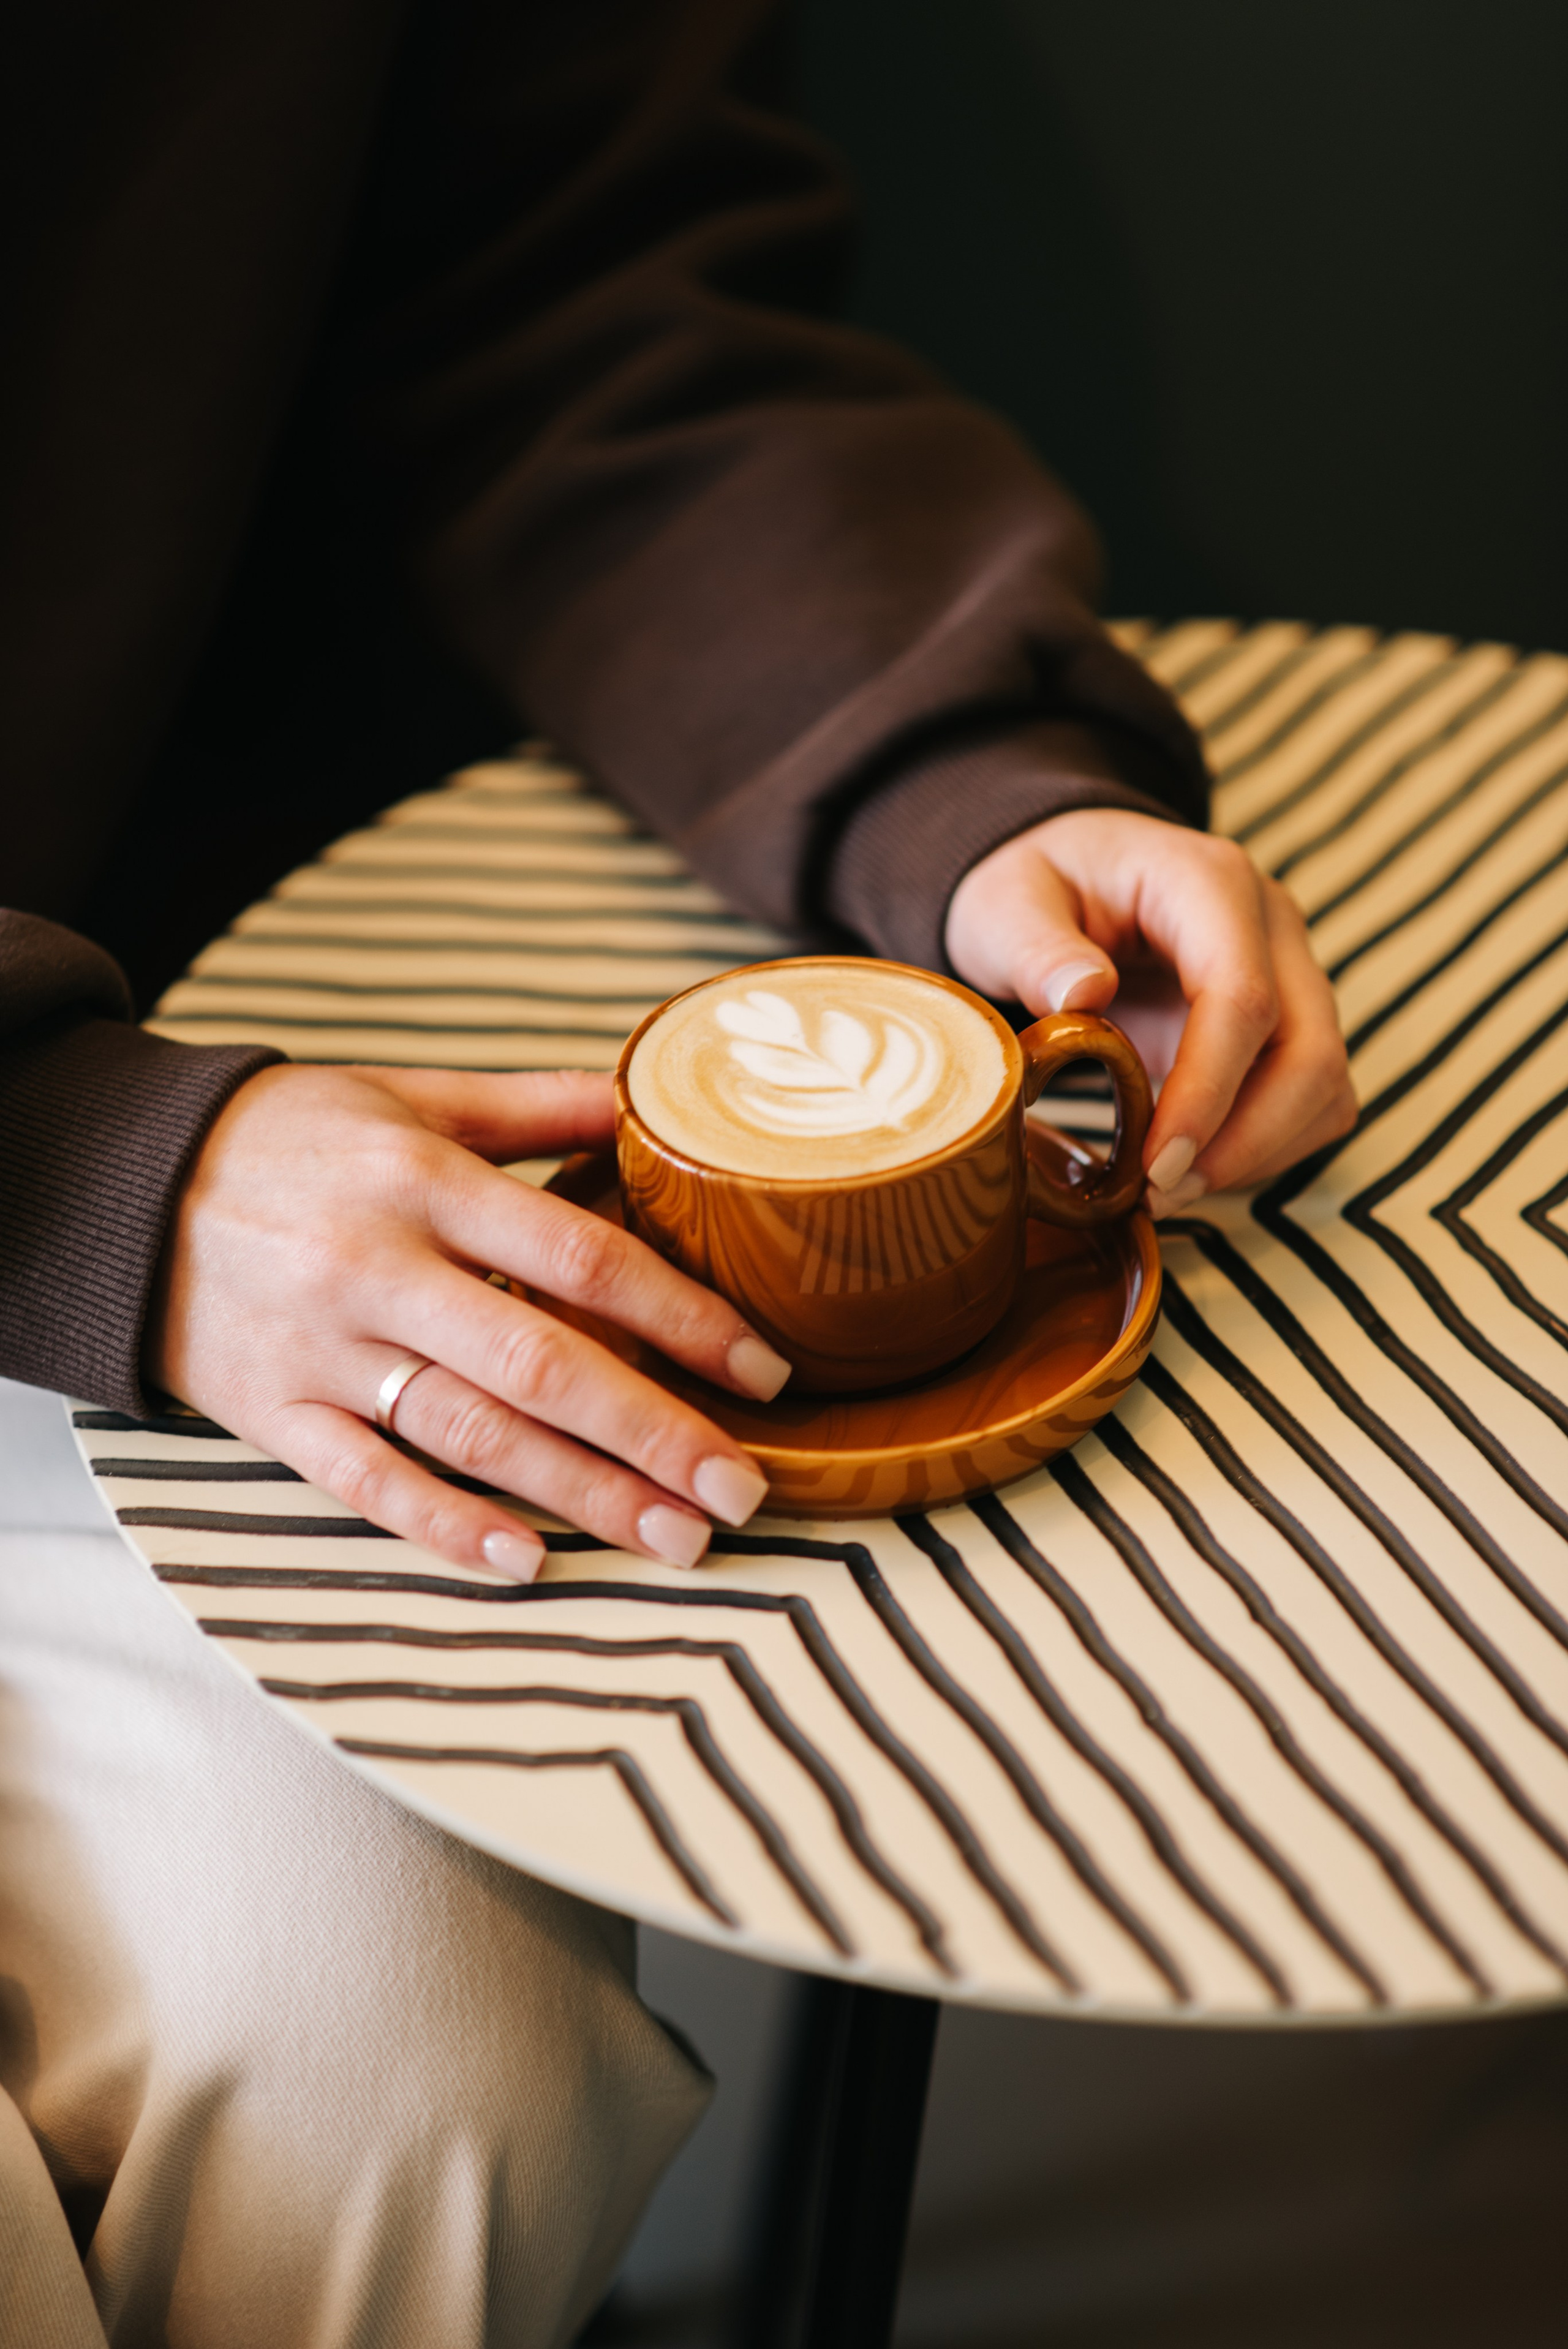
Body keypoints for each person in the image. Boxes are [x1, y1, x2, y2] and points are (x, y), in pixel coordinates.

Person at [0, 2, 1354, 2341]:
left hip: (181, 1128)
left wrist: (972, 781)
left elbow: (571, 293)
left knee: (437, 2075)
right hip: (85, 1175)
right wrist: (72, 1166)